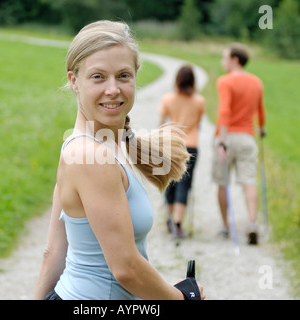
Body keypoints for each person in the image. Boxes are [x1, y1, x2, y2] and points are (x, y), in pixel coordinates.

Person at [34, 20, 205, 300]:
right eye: (98, 77)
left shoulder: (93, 146)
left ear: (136, 77)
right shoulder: (91, 155)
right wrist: (184, 298)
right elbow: (126, 268)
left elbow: (53, 252)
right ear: (74, 81)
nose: (113, 89)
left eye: (123, 76)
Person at [212, 43, 266, 245]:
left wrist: (222, 139)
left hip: (227, 136)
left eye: (225, 57)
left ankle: (225, 226)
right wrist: (261, 128)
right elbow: (261, 112)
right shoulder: (256, 82)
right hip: (247, 138)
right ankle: (253, 223)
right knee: (248, 181)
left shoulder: (225, 81)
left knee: (222, 182)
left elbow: (224, 111)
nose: (222, 61)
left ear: (235, 60)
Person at [159, 65, 205, 238]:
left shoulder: (167, 99)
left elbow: (162, 123)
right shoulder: (199, 101)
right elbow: (198, 124)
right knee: (184, 184)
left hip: (171, 145)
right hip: (191, 145)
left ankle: (169, 220)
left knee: (170, 183)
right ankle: (178, 224)